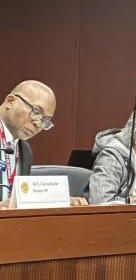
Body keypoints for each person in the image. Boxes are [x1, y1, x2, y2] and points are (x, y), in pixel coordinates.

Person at [0, 79, 87, 207]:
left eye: (45, 121)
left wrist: (60, 201)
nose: (38, 124)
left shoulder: (24, 150)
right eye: (36, 112)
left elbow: (21, 199)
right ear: (10, 101)